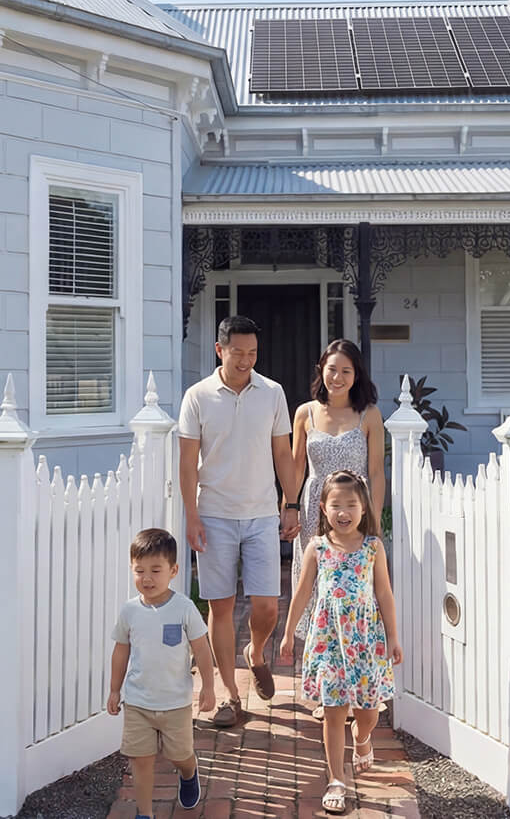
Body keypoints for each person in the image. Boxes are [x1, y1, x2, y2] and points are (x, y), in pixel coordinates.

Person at [178, 315, 303, 727]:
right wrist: (192, 516)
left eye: (252, 353)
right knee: (221, 606)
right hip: (213, 515)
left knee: (267, 606)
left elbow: (283, 454)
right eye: (238, 353)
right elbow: (187, 463)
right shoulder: (197, 397)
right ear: (220, 350)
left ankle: (257, 650)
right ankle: (232, 695)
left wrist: (292, 504)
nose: (246, 360)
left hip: (262, 515)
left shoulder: (272, 393)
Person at [278, 470, 402, 814]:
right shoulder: (317, 547)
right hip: (329, 641)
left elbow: (384, 594)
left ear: (364, 508)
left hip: (365, 641)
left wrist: (393, 637)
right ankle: (336, 779)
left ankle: (363, 739)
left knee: (367, 713)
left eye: (351, 504)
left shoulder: (373, 547)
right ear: (323, 507)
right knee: (333, 715)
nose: (343, 511)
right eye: (336, 505)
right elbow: (302, 592)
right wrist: (288, 633)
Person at [290, 339, 386, 701]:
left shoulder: (369, 415)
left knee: (351, 596)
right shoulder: (305, 413)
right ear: (322, 371)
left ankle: (355, 682)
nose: (338, 377)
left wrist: (371, 519)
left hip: (354, 514)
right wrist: (287, 506)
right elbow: (297, 468)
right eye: (332, 369)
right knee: (316, 594)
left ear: (356, 374)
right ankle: (322, 688)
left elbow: (376, 472)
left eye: (346, 370)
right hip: (315, 510)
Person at [107, 528, 215, 818]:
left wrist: (208, 687)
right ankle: (145, 813)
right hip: (138, 701)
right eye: (139, 570)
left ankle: (189, 771)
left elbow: (203, 650)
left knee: (178, 754)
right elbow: (121, 652)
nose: (147, 578)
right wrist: (115, 689)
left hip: (175, 703)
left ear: (173, 570)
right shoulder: (129, 611)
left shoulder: (184, 608)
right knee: (140, 760)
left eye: (156, 570)